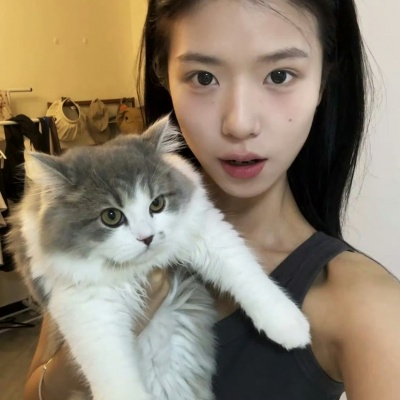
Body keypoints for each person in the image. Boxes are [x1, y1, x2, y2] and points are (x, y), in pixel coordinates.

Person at [24, 0, 400, 399]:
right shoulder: (85, 238)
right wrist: (81, 364)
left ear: (324, 80)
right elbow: (34, 391)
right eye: (203, 77)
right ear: (164, 77)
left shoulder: (367, 307)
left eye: (279, 75)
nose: (239, 123)